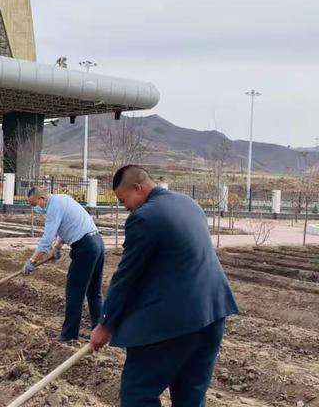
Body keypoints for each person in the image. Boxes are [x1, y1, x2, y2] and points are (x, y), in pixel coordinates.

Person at [90, 165, 239, 407]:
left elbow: (127, 276)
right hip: (212, 314)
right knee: (190, 395)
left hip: (174, 323)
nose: (124, 207)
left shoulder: (145, 217)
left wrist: (105, 324)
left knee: (138, 393)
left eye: (123, 199)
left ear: (138, 188)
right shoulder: (187, 202)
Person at [23, 186, 105, 341]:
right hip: (97, 244)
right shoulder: (63, 199)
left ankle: (69, 335)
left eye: (34, 205)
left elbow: (47, 239)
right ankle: (99, 331)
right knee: (94, 292)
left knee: (74, 292)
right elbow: (66, 226)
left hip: (85, 248)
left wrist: (32, 260)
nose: (35, 208)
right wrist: (58, 247)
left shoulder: (53, 207)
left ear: (42, 199)